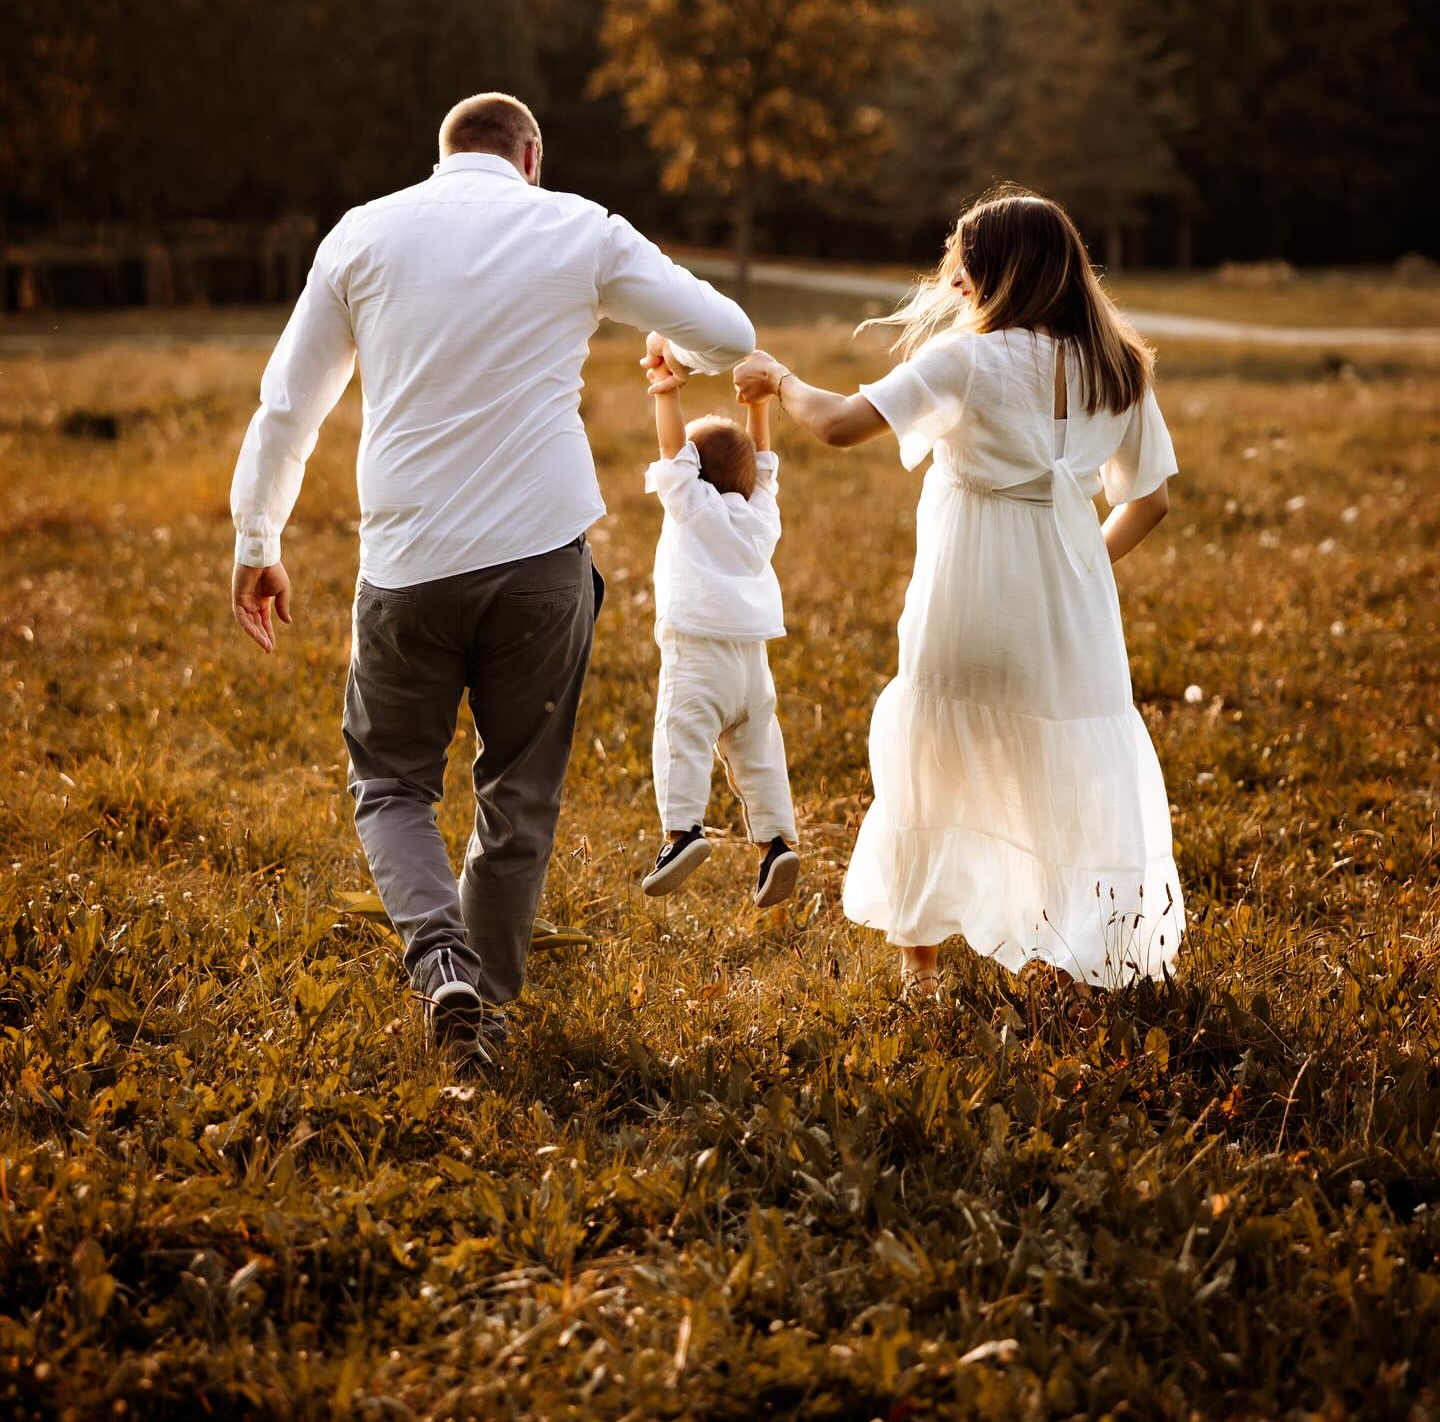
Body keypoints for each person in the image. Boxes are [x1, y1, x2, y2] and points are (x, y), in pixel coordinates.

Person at [229, 93, 753, 1069]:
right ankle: (489, 1007)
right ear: (532, 156)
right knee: (521, 789)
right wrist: (669, 352)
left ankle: (443, 969)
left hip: (406, 567)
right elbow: (728, 331)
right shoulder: (579, 228)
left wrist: (256, 538)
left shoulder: (363, 235)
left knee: (389, 783)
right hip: (540, 562)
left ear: (444, 156)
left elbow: (285, 408)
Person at [733, 187, 1182, 1000]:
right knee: (1069, 766)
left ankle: (923, 972)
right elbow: (1148, 500)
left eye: (964, 267)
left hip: (968, 598)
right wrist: (1078, 566)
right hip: (1070, 611)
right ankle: (1087, 953)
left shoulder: (966, 360)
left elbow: (836, 425)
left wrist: (781, 379)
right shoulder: (1120, 364)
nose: (955, 282)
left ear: (993, 274)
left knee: (934, 760)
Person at [639, 348, 799, 909]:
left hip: (697, 654)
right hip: (752, 665)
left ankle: (681, 834)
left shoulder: (691, 505)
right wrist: (758, 405)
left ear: (694, 470)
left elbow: (671, 451)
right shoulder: (761, 513)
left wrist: (667, 388)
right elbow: (766, 462)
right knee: (759, 753)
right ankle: (776, 843)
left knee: (680, 739)